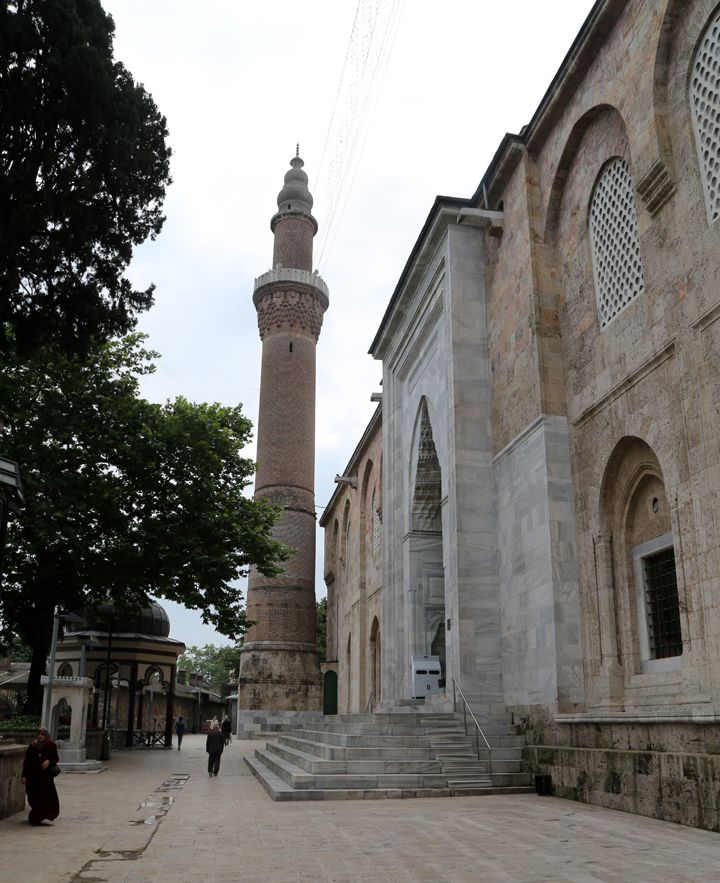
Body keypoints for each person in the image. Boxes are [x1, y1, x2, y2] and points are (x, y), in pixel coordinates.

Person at [21, 726, 60, 826]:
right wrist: (24, 776)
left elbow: (55, 758)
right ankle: (35, 816)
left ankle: (37, 818)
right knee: (33, 797)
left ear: (46, 735)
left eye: (42, 734)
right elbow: (27, 762)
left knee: (44, 797)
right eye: (38, 734)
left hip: (45, 778)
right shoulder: (32, 746)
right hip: (33, 777)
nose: (40, 736)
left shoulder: (51, 745)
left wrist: (48, 761)